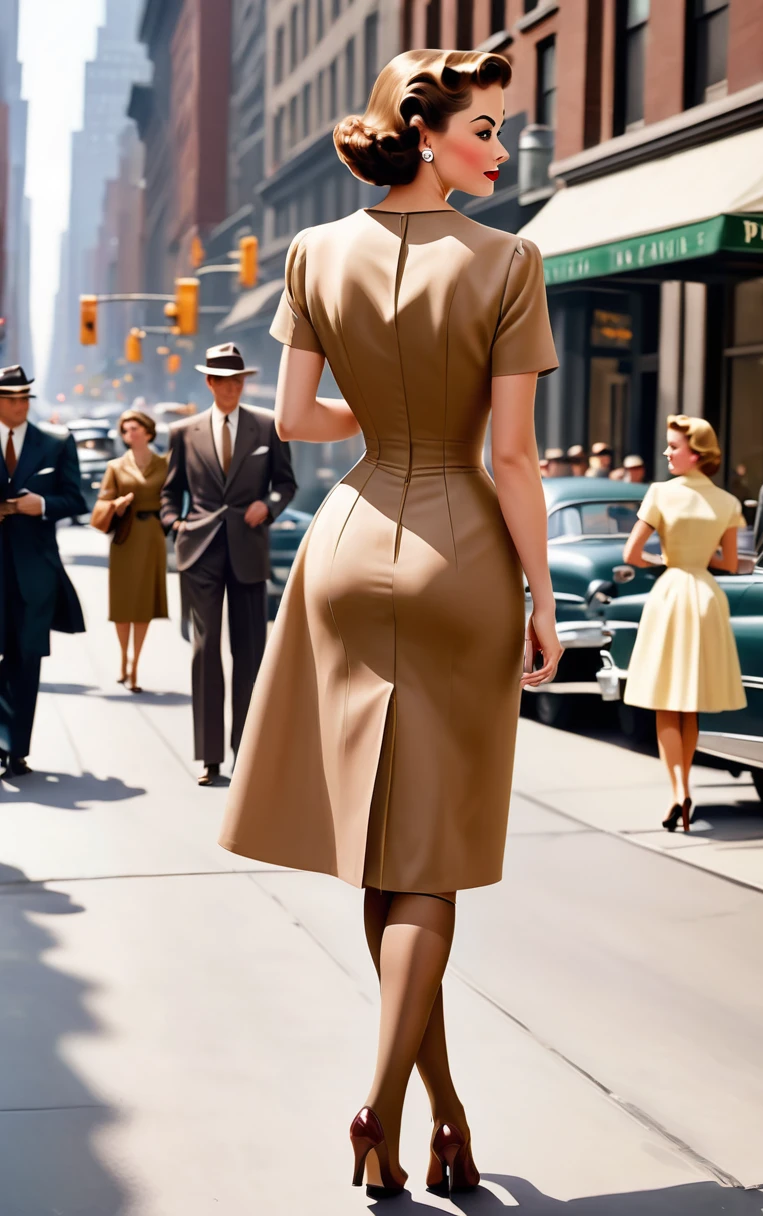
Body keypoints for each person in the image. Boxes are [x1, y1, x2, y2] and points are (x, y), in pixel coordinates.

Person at [218, 49, 562, 1200]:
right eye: (485, 128)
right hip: (458, 543)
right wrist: (544, 596)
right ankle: (381, 1103)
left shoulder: (314, 253)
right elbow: (511, 455)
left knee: (385, 846)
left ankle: (441, 1114)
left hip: (351, 537)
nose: (501, 149)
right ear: (425, 132)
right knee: (432, 860)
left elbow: (297, 415)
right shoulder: (508, 259)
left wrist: (386, 399)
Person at [160, 343, 297, 786]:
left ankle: (247, 754)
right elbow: (169, 491)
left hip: (249, 553)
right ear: (210, 383)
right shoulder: (183, 431)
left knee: (250, 656)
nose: (233, 388)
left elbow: (286, 484)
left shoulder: (266, 426)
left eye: (239, 380)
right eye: (224, 380)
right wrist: (175, 524)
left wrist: (269, 506)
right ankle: (210, 758)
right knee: (205, 654)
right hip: (199, 553)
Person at [622, 415, 745, 831]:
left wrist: (666, 559)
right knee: (688, 701)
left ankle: (677, 792)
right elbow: (728, 562)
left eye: (673, 446)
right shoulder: (727, 501)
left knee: (665, 700)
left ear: (696, 453)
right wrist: (699, 555)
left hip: (672, 593)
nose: (667, 453)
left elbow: (631, 554)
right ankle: (685, 786)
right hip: (707, 596)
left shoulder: (661, 493)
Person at [0, 364, 86, 775]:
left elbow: (76, 499)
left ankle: (16, 750)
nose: (19, 407)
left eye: (24, 399)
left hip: (35, 576)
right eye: (10, 399)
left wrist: (45, 506)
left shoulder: (55, 443)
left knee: (25, 660)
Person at [90, 409, 169, 692]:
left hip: (152, 537)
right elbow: (102, 501)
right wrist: (116, 504)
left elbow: (172, 497)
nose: (129, 434)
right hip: (126, 536)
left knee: (144, 603)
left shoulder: (164, 464)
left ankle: (136, 663)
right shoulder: (116, 466)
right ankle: (123, 658)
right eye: (125, 430)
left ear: (148, 431)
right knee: (124, 602)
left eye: (134, 428)